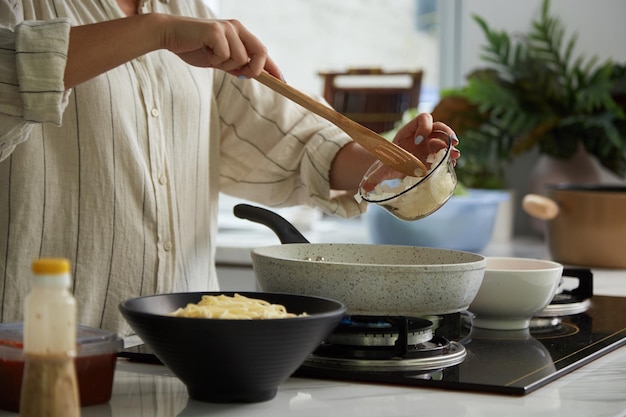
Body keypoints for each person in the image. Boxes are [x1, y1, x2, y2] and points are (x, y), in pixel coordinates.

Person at [0, 0, 460, 336]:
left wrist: (380, 162)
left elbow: (290, 140)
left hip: (191, 354)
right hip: (43, 353)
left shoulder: (186, 8)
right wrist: (153, 31)